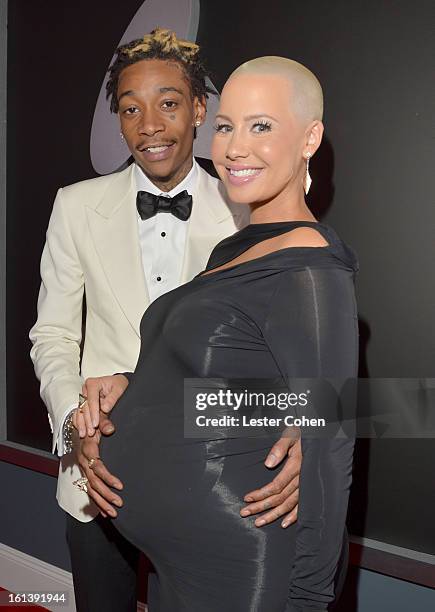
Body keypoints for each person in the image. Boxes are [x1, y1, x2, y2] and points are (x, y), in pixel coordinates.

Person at [29, 30, 302, 612]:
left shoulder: (249, 214)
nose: (149, 124)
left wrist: (300, 432)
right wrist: (76, 422)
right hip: (98, 472)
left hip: (211, 474)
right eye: (131, 108)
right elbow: (53, 334)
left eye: (169, 103)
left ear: (201, 110)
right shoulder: (75, 206)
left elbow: (287, 360)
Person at [89, 55, 359, 610]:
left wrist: (305, 598)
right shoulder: (237, 248)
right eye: (227, 126)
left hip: (242, 564)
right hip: (177, 557)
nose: (233, 147)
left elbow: (335, 431)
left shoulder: (310, 267)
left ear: (310, 138)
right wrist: (127, 386)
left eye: (261, 126)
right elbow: (223, 383)